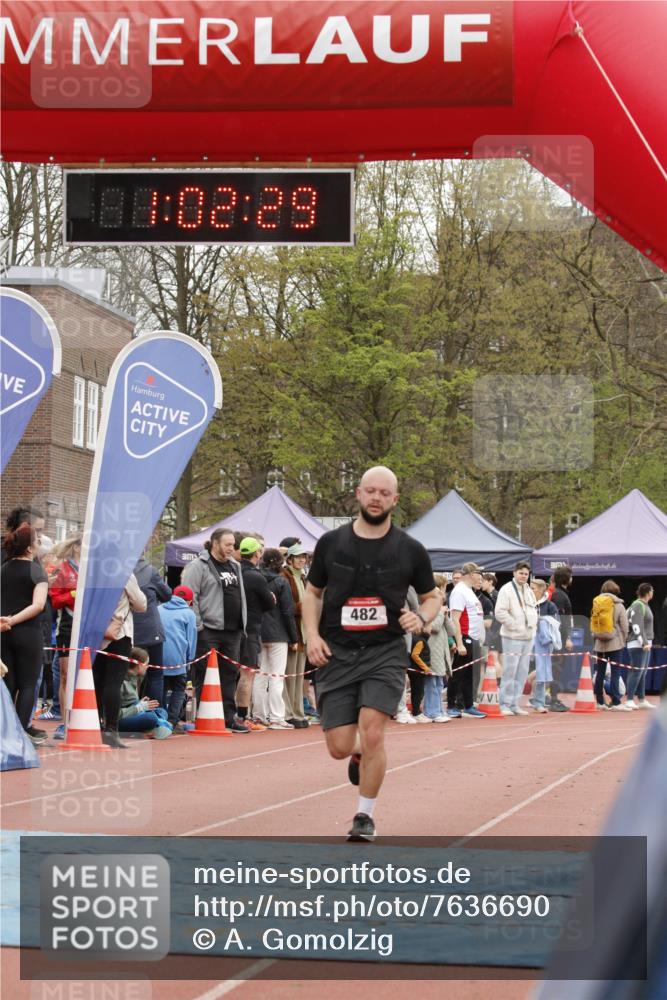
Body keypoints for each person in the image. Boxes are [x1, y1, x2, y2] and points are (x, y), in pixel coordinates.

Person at [302, 465, 440, 842]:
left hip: (385, 652)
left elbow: (432, 596)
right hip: (337, 652)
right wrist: (311, 636)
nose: (377, 498)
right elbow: (312, 594)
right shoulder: (331, 544)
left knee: (375, 731)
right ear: (359, 495)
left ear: (395, 500)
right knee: (339, 746)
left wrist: (422, 617)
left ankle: (364, 816)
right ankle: (358, 753)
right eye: (371, 491)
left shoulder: (410, 549)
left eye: (385, 493)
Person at [181, 528, 249, 733]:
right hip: (209, 629)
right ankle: (205, 714)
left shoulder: (235, 566)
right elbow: (190, 597)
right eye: (227, 544)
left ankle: (228, 717)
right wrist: (199, 626)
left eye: (233, 545)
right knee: (206, 674)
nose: (231, 548)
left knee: (230, 673)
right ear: (214, 543)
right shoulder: (198, 566)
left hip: (233, 630)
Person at [0, 523, 49, 745]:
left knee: (8, 683)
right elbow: (38, 605)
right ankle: (20, 732)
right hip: (28, 633)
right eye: (37, 541)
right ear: (29, 549)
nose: (39, 545)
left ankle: (5, 730)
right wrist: (14, 619)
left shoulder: (3, 569)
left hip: (3, 632)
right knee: (28, 684)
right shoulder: (37, 571)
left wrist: (4, 621)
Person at [93, 573, 147, 748]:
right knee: (113, 682)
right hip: (118, 633)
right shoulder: (123, 572)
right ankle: (111, 729)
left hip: (94, 630)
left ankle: (97, 726)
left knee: (97, 681)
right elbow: (141, 604)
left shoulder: (92, 570)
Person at [254, 548, 299, 729]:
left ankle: (258, 715)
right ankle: (276, 717)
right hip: (278, 633)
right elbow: (288, 611)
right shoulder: (281, 581)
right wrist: (293, 637)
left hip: (258, 631)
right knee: (276, 676)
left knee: (260, 675)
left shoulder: (255, 579)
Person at [236, 536, 275, 730]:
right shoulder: (255, 576)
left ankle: (232, 715)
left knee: (231, 674)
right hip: (250, 629)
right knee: (247, 674)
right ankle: (242, 717)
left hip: (232, 630)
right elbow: (270, 602)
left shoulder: (233, 572)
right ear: (257, 553)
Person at [47, 535, 81, 738]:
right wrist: (74, 595)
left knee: (87, 673)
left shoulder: (93, 568)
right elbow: (55, 600)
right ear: (76, 547)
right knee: (66, 675)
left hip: (87, 625)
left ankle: (84, 717)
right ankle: (65, 721)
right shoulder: (63, 569)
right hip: (67, 627)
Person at [495, 561, 538, 716]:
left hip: (528, 636)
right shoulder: (506, 589)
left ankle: (515, 703)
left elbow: (533, 610)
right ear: (514, 573)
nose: (523, 576)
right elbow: (499, 612)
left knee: (522, 671)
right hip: (512, 636)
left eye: (526, 574)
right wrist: (514, 625)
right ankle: (504, 703)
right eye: (521, 573)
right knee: (510, 670)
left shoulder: (528, 590)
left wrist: (533, 626)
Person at [446, 563, 487, 719]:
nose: (481, 577)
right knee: (458, 673)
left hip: (473, 638)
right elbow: (454, 619)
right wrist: (460, 642)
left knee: (470, 674)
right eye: (479, 574)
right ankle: (451, 705)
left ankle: (468, 705)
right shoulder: (459, 592)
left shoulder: (469, 591)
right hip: (464, 637)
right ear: (470, 574)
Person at [133, 555, 172, 705]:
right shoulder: (150, 571)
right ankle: (156, 713)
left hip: (127, 630)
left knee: (125, 675)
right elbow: (167, 595)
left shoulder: (116, 571)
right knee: (155, 673)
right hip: (151, 630)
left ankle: (126, 713)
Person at [159, 584, 198, 731]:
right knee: (179, 688)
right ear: (189, 601)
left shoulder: (159, 608)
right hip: (178, 659)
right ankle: (172, 721)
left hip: (158, 657)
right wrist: (190, 659)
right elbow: (191, 639)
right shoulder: (189, 614)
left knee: (160, 687)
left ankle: (159, 719)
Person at [282, 543, 310, 729]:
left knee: (299, 676)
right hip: (293, 633)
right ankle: (288, 713)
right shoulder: (285, 577)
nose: (302, 560)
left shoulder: (304, 578)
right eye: (298, 557)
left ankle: (298, 712)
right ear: (289, 559)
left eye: (304, 557)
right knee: (289, 676)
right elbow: (287, 608)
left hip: (305, 633)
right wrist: (304, 606)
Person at [118, 647, 172, 739]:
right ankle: (155, 726)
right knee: (151, 718)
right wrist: (139, 707)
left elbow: (131, 704)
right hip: (119, 720)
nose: (147, 667)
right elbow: (117, 714)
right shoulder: (121, 683)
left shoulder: (135, 678)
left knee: (162, 711)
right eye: (146, 664)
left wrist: (140, 703)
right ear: (139, 665)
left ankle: (153, 727)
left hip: (133, 713)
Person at [591, 580, 629, 711]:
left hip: (599, 644)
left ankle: (600, 702)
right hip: (615, 644)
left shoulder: (597, 603)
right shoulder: (618, 605)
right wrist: (623, 640)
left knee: (600, 673)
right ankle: (616, 702)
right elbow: (624, 625)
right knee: (615, 673)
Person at [530, 578, 560, 712]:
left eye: (533, 588)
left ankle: (539, 702)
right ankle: (511, 702)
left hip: (542, 642)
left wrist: (542, 621)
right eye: (530, 588)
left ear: (542, 589)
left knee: (542, 672)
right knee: (518, 668)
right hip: (525, 638)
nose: (530, 591)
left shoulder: (550, 605)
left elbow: (556, 624)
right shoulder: (526, 603)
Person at [626, 583, 656, 709]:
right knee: (636, 672)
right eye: (652, 590)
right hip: (638, 644)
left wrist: (646, 643)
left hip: (645, 643)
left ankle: (642, 699)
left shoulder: (644, 605)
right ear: (648, 592)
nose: (653, 592)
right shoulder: (638, 605)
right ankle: (629, 700)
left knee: (642, 672)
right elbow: (637, 625)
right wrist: (643, 642)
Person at [549, 566, 574, 712]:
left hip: (560, 638)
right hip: (559, 639)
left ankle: (553, 697)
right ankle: (552, 699)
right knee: (556, 669)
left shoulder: (562, 594)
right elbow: (559, 620)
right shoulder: (559, 595)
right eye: (570, 576)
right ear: (566, 578)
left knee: (556, 669)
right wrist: (566, 638)